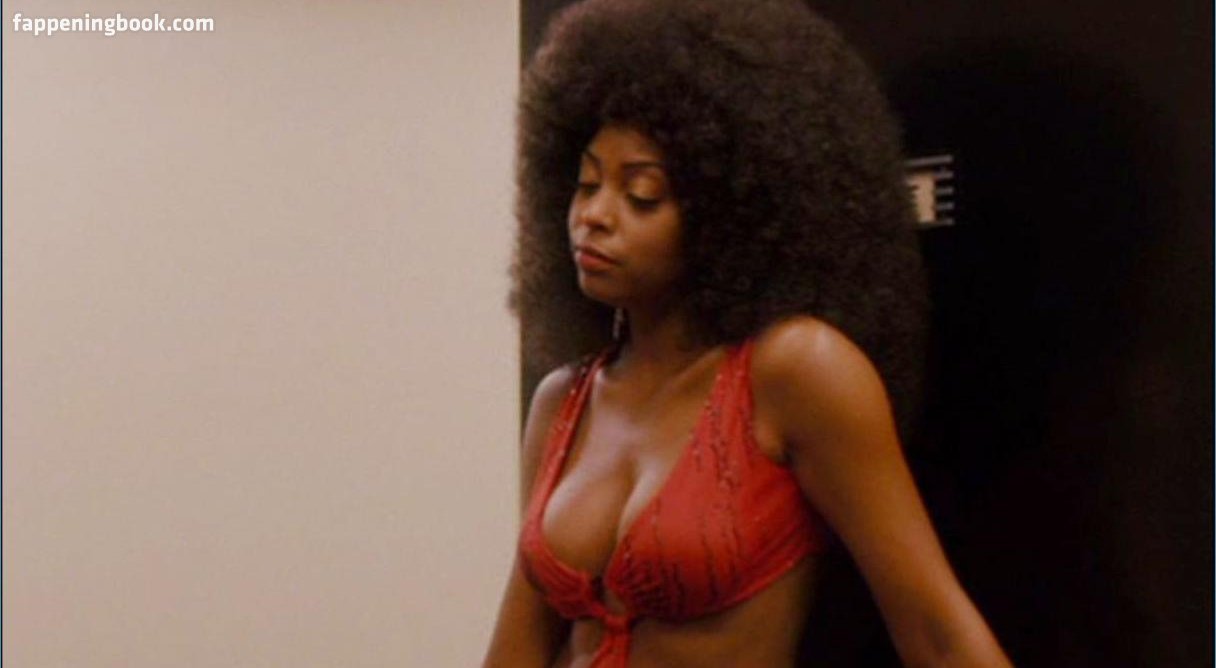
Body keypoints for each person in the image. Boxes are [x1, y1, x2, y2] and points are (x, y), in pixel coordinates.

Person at [484, 1, 1013, 666]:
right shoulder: (563, 402)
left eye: (641, 195)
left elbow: (938, 634)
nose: (593, 215)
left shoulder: (796, 372)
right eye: (586, 184)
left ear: (728, 212)